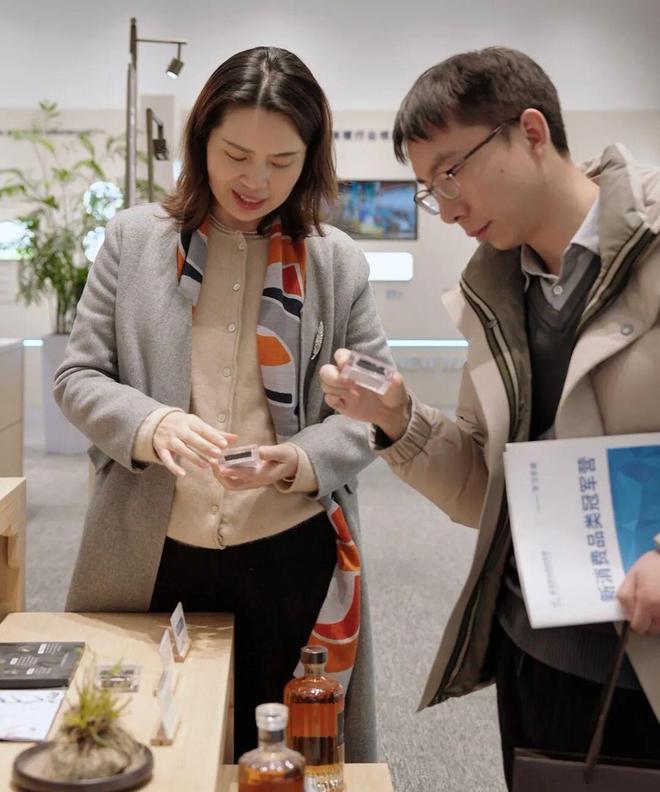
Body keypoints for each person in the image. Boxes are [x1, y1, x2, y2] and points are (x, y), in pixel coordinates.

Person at [320, 46, 660, 789]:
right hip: (534, 651)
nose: (444, 205)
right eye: (426, 188)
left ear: (531, 131)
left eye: (452, 171)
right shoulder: (494, 291)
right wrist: (400, 421)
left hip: (647, 665)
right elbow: (492, 488)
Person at [54, 46, 390, 762]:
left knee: (280, 750)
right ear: (200, 138)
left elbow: (373, 411)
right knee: (139, 741)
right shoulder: (135, 240)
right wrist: (152, 423)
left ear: (312, 158)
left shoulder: (336, 263)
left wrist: (297, 458)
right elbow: (79, 377)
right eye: (237, 153)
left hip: (288, 548)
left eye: (283, 161)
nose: (256, 180)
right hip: (152, 545)